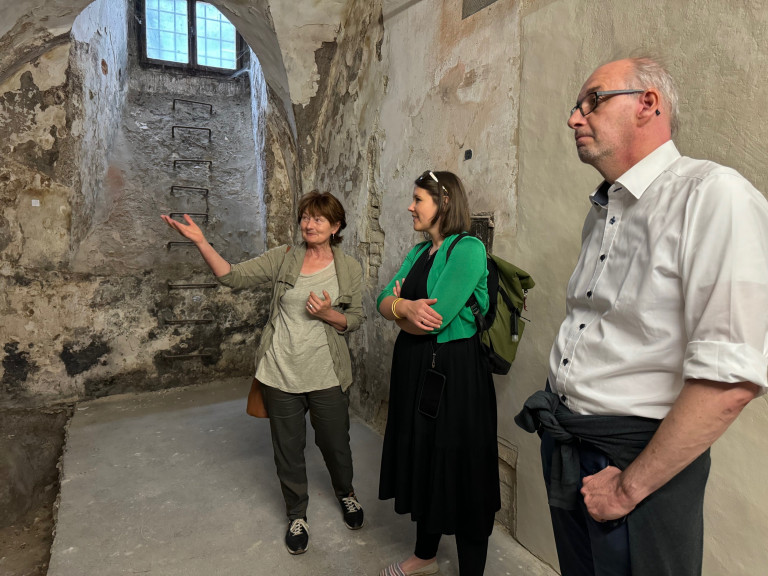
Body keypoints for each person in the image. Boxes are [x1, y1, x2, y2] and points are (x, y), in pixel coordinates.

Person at [515, 56, 768, 575]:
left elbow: (730, 378)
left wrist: (628, 486)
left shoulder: (712, 195)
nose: (574, 118)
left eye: (593, 101)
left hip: (636, 463)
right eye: (575, 106)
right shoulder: (603, 211)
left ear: (647, 103)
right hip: (570, 446)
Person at [161, 191, 365, 555]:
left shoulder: (348, 267)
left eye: (318, 218)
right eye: (305, 216)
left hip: (327, 374)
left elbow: (355, 319)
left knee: (336, 444)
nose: (309, 224)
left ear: (336, 226)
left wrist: (328, 315)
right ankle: (296, 514)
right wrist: (201, 242)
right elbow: (232, 277)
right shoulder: (284, 258)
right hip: (280, 372)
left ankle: (345, 493)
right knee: (288, 449)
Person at [377, 170, 500, 576]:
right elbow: (381, 298)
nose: (410, 207)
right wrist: (402, 308)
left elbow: (436, 319)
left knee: (462, 468)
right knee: (425, 459)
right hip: (417, 370)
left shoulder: (468, 250)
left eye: (418, 199)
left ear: (443, 202)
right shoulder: (417, 254)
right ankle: (425, 555)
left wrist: (404, 310)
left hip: (455, 375)